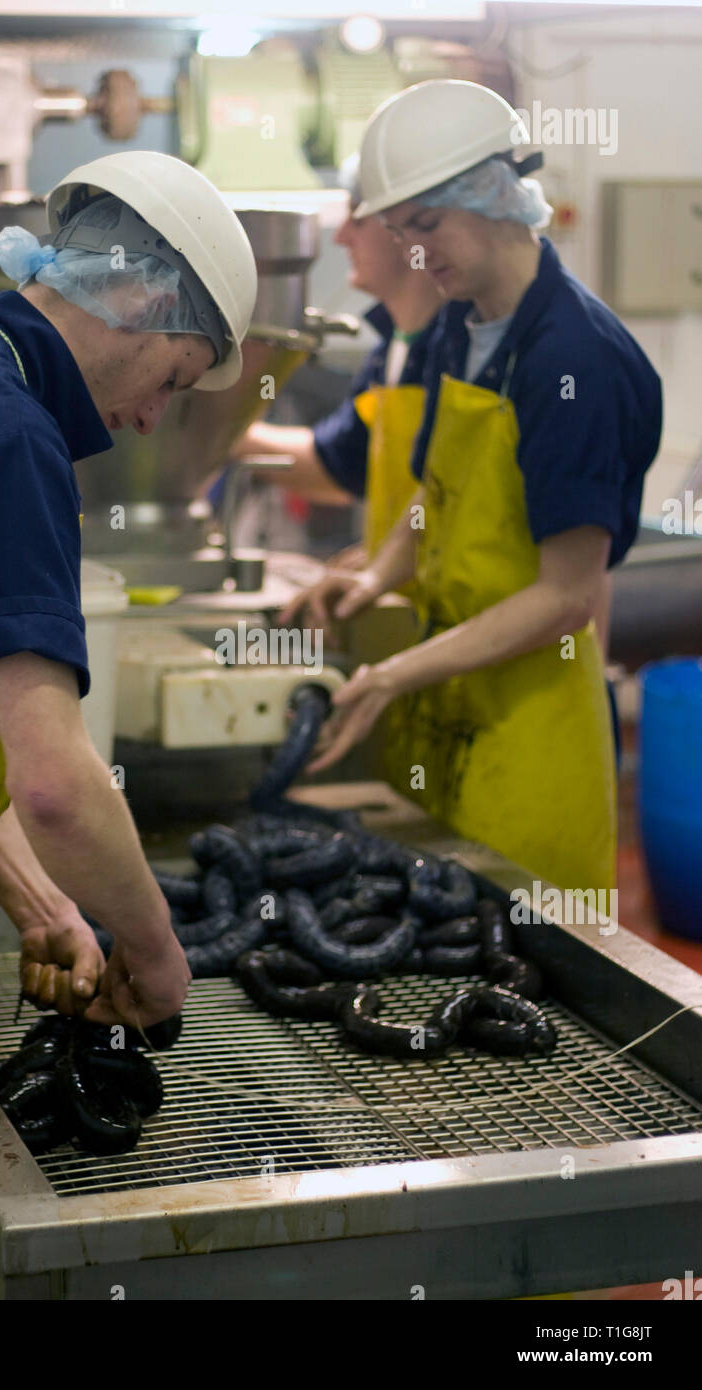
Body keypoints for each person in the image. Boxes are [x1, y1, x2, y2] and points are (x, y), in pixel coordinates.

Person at [0, 151, 257, 1299]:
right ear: (140, 298)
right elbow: (58, 781)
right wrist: (156, 954)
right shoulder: (4, 437)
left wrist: (46, 900)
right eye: (175, 375)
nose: (148, 416)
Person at [283, 80, 662, 895]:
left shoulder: (573, 361)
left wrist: (391, 674)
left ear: (495, 196)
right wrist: (381, 571)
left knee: (525, 976)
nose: (416, 254)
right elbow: (439, 489)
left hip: (531, 727)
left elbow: (566, 597)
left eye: (428, 226)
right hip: (448, 702)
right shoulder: (461, 320)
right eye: (398, 232)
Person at [226, 154, 442, 576]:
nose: (341, 237)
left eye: (355, 220)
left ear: (404, 228)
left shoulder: (461, 352)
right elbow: (340, 467)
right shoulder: (390, 352)